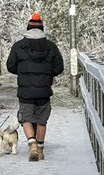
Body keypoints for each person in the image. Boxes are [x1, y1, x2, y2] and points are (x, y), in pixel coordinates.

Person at [6, 12, 64, 161]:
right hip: (44, 90)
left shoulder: (19, 46)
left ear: (28, 28)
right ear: (42, 29)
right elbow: (59, 67)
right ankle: (40, 149)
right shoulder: (51, 47)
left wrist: (23, 71)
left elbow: (10, 66)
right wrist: (47, 73)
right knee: (41, 120)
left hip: (25, 90)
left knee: (26, 118)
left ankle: (32, 145)